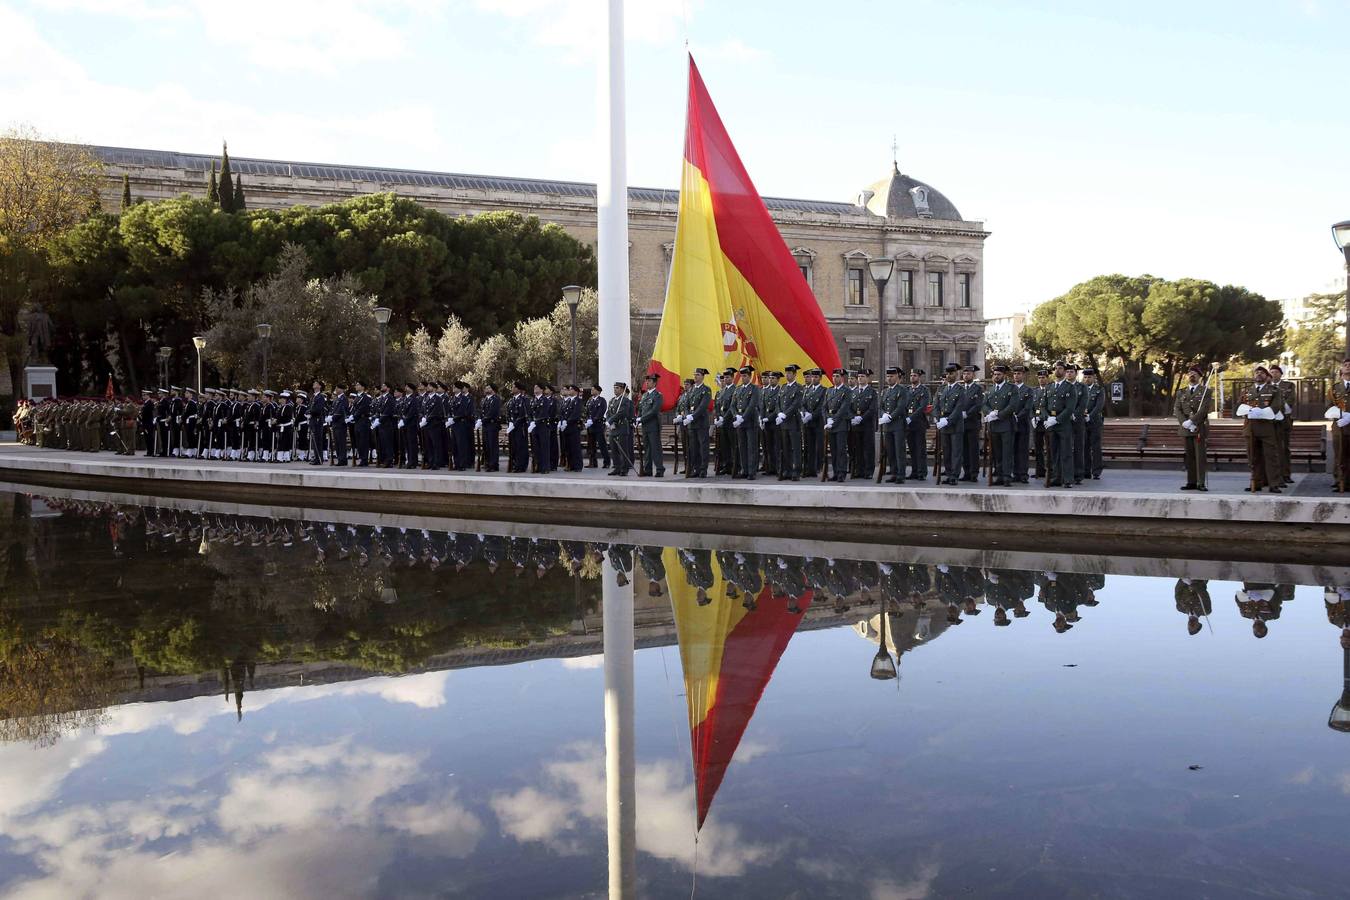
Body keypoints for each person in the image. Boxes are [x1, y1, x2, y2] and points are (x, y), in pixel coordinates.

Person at [1239, 365, 1282, 493]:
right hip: (1250, 427)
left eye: (1262, 373)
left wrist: (1261, 412)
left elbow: (1276, 406)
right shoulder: (1247, 390)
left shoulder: (1274, 390)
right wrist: (1247, 411)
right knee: (1253, 456)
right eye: (1256, 372)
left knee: (1270, 456)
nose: (1258, 374)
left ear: (1266, 376)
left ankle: (1273, 483)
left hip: (1266, 427)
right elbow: (1239, 405)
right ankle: (1256, 482)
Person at [1174, 364, 1212, 491]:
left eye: (1195, 374)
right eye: (1190, 373)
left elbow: (1204, 409)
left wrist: (1192, 421)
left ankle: (1200, 483)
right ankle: (1191, 482)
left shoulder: (1206, 391)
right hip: (1186, 428)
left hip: (1199, 427)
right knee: (1189, 456)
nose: (1192, 375)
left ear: (1200, 377)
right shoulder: (1181, 392)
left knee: (1200, 456)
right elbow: (1177, 408)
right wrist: (1184, 422)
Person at [980, 364, 1016, 485]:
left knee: (1007, 452)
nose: (996, 376)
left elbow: (1012, 405)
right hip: (993, 426)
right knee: (997, 452)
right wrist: (989, 413)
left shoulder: (1011, 388)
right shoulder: (990, 389)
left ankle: (1007, 476)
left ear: (1004, 375)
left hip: (1006, 424)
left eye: (999, 374)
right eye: (995, 374)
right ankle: (999, 475)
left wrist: (998, 415)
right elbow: (984, 404)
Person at [1044, 361, 1078, 488]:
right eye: (1056, 368)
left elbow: (1070, 408)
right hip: (1051, 424)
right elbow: (1043, 405)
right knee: (1053, 452)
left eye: (1060, 368)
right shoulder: (1049, 387)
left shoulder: (1070, 387)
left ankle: (1068, 479)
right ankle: (1056, 477)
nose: (1057, 370)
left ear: (1064, 371)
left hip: (1063, 424)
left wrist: (1057, 419)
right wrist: (1047, 417)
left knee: (1066, 452)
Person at [878, 366, 908, 483]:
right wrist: (883, 414)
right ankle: (894, 472)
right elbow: (880, 406)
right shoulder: (885, 391)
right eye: (888, 376)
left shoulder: (902, 390)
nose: (889, 379)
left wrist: (890, 416)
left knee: (899, 450)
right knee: (890, 450)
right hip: (887, 425)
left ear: (896, 377)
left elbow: (901, 407)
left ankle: (901, 474)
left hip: (898, 424)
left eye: (891, 376)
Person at [934, 363, 963, 485]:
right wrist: (937, 418)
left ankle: (954, 476)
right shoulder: (942, 389)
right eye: (947, 374)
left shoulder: (960, 389)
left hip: (954, 425)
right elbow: (935, 405)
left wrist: (948, 420)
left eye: (951, 374)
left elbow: (958, 408)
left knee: (956, 452)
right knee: (946, 451)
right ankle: (949, 473)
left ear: (956, 374)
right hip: (943, 424)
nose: (949, 376)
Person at [823, 366, 852, 482]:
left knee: (841, 450)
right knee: (833, 451)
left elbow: (843, 409)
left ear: (842, 378)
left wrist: (833, 421)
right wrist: (827, 420)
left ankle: (842, 473)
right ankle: (835, 472)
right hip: (830, 424)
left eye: (837, 376)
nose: (834, 378)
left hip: (840, 425)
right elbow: (824, 407)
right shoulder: (829, 390)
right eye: (833, 376)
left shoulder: (846, 391)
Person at [1269, 363, 1295, 487]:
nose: (1273, 374)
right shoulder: (1266, 386)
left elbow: (1290, 402)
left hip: (1283, 421)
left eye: (1276, 372)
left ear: (1280, 374)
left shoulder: (1288, 385)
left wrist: (1277, 407)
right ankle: (1273, 476)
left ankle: (1285, 474)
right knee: (1271, 449)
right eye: (1272, 372)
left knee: (1283, 448)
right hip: (1268, 422)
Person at [776, 364, 803, 481]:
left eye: (789, 373)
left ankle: (796, 471)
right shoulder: (783, 387)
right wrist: (779, 413)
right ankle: (786, 470)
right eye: (786, 373)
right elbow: (778, 403)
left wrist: (785, 414)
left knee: (795, 448)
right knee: (785, 448)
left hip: (793, 422)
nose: (787, 375)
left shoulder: (799, 388)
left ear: (794, 374)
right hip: (783, 423)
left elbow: (796, 404)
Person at [685, 367, 712, 478]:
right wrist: (687, 415)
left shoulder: (706, 389)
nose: (695, 377)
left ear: (702, 376)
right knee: (694, 447)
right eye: (694, 374)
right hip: (692, 424)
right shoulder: (691, 390)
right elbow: (686, 404)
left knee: (703, 447)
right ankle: (696, 468)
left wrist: (693, 416)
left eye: (698, 375)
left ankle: (703, 469)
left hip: (701, 423)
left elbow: (703, 406)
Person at [904, 368, 930, 480]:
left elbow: (922, 407)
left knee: (920, 449)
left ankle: (922, 472)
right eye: (911, 375)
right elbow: (904, 405)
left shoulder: (924, 390)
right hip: (909, 424)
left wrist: (911, 417)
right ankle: (914, 471)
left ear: (919, 377)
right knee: (912, 448)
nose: (912, 377)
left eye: (914, 376)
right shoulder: (907, 390)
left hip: (919, 423)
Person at [638, 373, 665, 477]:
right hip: (645, 425)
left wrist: (642, 418)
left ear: (654, 383)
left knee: (655, 448)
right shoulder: (645, 395)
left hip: (653, 425)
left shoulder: (658, 395)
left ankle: (659, 469)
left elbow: (654, 410)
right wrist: (638, 418)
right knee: (647, 448)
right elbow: (641, 409)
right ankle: (647, 469)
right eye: (646, 381)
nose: (647, 382)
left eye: (649, 381)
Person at [959, 365, 983, 482]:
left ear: (973, 375)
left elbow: (978, 405)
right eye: (964, 374)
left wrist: (967, 413)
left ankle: (974, 473)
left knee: (973, 449)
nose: (966, 376)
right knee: (964, 450)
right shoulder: (960, 388)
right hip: (961, 423)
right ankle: (967, 472)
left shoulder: (977, 388)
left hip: (972, 422)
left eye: (968, 374)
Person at [1010, 365, 1033, 483]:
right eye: (1014, 374)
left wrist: (1017, 416)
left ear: (1023, 375)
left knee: (1022, 450)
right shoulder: (1009, 388)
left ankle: (1023, 474)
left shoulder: (1028, 390)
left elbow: (1027, 408)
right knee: (1013, 449)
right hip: (1010, 424)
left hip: (1022, 423)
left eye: (1019, 374)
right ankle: (1015, 473)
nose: (1016, 376)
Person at [606, 381, 635, 475]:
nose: (615, 389)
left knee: (623, 450)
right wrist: (609, 421)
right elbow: (608, 412)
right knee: (614, 450)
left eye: (617, 388)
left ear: (622, 390)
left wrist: (611, 420)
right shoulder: (612, 400)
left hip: (621, 427)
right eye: (614, 388)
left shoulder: (625, 401)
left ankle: (624, 469)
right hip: (613, 428)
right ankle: (617, 468)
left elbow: (622, 413)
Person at [801, 367, 826, 477]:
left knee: (818, 446)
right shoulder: (807, 390)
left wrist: (812, 415)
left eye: (816, 377)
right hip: (808, 423)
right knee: (808, 446)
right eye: (812, 377)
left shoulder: (824, 390)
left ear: (820, 378)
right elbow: (803, 403)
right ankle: (809, 469)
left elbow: (822, 406)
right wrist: (804, 412)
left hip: (818, 422)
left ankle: (818, 467)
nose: (813, 379)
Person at [1082, 367, 1106, 479]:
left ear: (1094, 377)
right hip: (1082, 422)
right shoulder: (1080, 389)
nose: (1087, 379)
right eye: (1085, 377)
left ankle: (1096, 471)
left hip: (1095, 422)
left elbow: (1099, 406)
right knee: (1084, 447)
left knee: (1095, 447)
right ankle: (1086, 471)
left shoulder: (1098, 390)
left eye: (1089, 377)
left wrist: (1090, 416)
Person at [714, 369, 738, 476]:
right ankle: (727, 465)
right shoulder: (722, 391)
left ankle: (735, 466)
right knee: (724, 446)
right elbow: (718, 406)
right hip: (722, 422)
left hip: (730, 422)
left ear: (732, 378)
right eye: (724, 378)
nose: (726, 379)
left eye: (728, 377)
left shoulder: (735, 389)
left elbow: (732, 407)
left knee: (733, 445)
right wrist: (718, 417)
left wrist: (724, 418)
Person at [1331, 359, 1350, 492]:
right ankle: (1340, 481)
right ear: (1341, 370)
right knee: (1340, 454)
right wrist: (1340, 414)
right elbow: (1329, 406)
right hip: (1340, 426)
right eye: (1345, 365)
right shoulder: (1334, 388)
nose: (1348, 367)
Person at [450, 381, 475, 470]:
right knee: (455, 445)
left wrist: (454, 418)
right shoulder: (452, 398)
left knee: (461, 445)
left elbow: (463, 412)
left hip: (461, 424)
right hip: (454, 425)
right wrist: (449, 418)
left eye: (455, 387)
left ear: (459, 388)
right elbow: (450, 410)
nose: (453, 388)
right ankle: (456, 463)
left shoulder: (463, 398)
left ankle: (462, 464)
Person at [558, 384, 584, 471]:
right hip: (566, 427)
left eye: (571, 389)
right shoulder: (568, 401)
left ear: (576, 391)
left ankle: (577, 466)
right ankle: (570, 465)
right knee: (568, 447)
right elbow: (562, 412)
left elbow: (576, 414)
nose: (569, 390)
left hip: (573, 427)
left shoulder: (578, 401)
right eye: (569, 389)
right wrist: (561, 421)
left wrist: (567, 421)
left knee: (575, 447)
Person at [506, 381, 530, 473]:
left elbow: (523, 414)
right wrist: (510, 423)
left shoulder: (524, 400)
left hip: (520, 427)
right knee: (513, 447)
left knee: (521, 447)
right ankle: (514, 464)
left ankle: (521, 466)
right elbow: (508, 413)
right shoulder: (511, 400)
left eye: (514, 387)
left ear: (518, 389)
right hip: (512, 427)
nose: (512, 388)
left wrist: (515, 424)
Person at [585, 385, 609, 469]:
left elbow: (601, 411)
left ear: (598, 391)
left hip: (598, 425)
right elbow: (587, 412)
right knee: (591, 445)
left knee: (602, 444)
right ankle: (592, 462)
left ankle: (606, 462)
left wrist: (593, 419)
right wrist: (587, 420)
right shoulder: (590, 400)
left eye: (593, 389)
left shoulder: (602, 400)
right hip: (590, 426)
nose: (592, 391)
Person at [760, 370, 779, 476]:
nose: (770, 380)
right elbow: (762, 406)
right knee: (768, 446)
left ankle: (777, 468)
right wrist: (762, 417)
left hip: (775, 421)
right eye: (770, 378)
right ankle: (770, 468)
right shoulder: (765, 391)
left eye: (772, 378)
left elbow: (778, 407)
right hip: (766, 421)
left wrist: (769, 418)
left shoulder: (780, 390)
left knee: (776, 446)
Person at [479, 382, 502, 471]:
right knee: (486, 445)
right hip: (485, 425)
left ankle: (494, 465)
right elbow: (482, 411)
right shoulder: (485, 399)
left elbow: (492, 412)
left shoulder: (496, 399)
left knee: (492, 445)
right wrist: (479, 419)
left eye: (488, 387)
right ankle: (488, 463)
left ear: (492, 389)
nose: (486, 389)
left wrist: (483, 420)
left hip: (492, 424)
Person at [308, 381, 328, 465]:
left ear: (319, 386)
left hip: (317, 420)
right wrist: (307, 412)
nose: (314, 384)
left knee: (318, 440)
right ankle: (316, 457)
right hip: (313, 420)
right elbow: (310, 407)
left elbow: (318, 409)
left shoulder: (320, 397)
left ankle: (319, 459)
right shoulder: (313, 396)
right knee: (314, 440)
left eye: (316, 383)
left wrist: (310, 412)